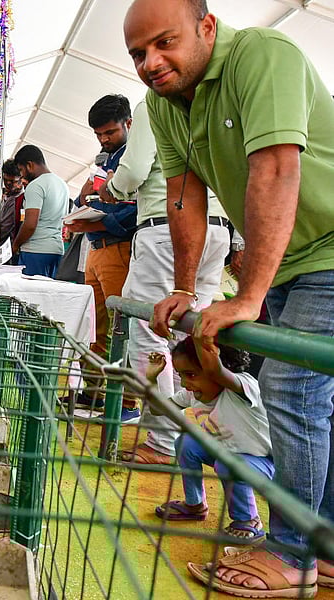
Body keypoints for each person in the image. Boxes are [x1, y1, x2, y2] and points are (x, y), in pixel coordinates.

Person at [125, 0, 334, 595]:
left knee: (293, 388)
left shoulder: (263, 57)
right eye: (138, 53)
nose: (150, 61)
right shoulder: (163, 106)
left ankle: (295, 555)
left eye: (164, 43)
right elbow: (185, 195)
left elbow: (274, 168)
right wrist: (186, 287)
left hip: (330, 245)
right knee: (318, 395)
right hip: (297, 254)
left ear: (206, 27)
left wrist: (248, 295)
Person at [105, 99, 231, 466]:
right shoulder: (218, 100)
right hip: (217, 228)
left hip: (167, 228)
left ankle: (162, 441)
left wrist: (112, 189)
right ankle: (202, 433)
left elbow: (134, 171)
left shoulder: (155, 103)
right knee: (194, 336)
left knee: (150, 335)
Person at [150, 339, 273, 545]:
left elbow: (216, 371)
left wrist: (201, 335)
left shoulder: (242, 386)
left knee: (228, 464)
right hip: (229, 454)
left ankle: (248, 521)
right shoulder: (192, 394)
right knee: (186, 443)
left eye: (191, 375)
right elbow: (157, 409)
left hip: (265, 463)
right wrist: (151, 378)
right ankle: (195, 505)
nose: (184, 383)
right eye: (181, 375)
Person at [67, 95, 139, 421]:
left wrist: (101, 216)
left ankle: (123, 402)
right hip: (96, 248)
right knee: (93, 325)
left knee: (119, 327)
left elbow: (131, 209)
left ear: (129, 124)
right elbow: (95, 194)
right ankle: (94, 392)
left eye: (109, 132)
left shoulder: (133, 158)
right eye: (98, 134)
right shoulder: (105, 158)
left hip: (119, 246)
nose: (104, 139)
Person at [11, 145, 67, 277]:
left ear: (29, 165)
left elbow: (30, 225)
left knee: (29, 295)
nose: (22, 175)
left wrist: (16, 244)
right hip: (57, 250)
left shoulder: (35, 186)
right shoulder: (62, 184)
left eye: (21, 170)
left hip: (35, 251)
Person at [0, 160, 25, 261]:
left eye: (12, 181)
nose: (8, 184)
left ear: (21, 179)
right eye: (5, 180)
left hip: (8, 250)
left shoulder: (18, 199)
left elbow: (4, 227)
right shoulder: (6, 195)